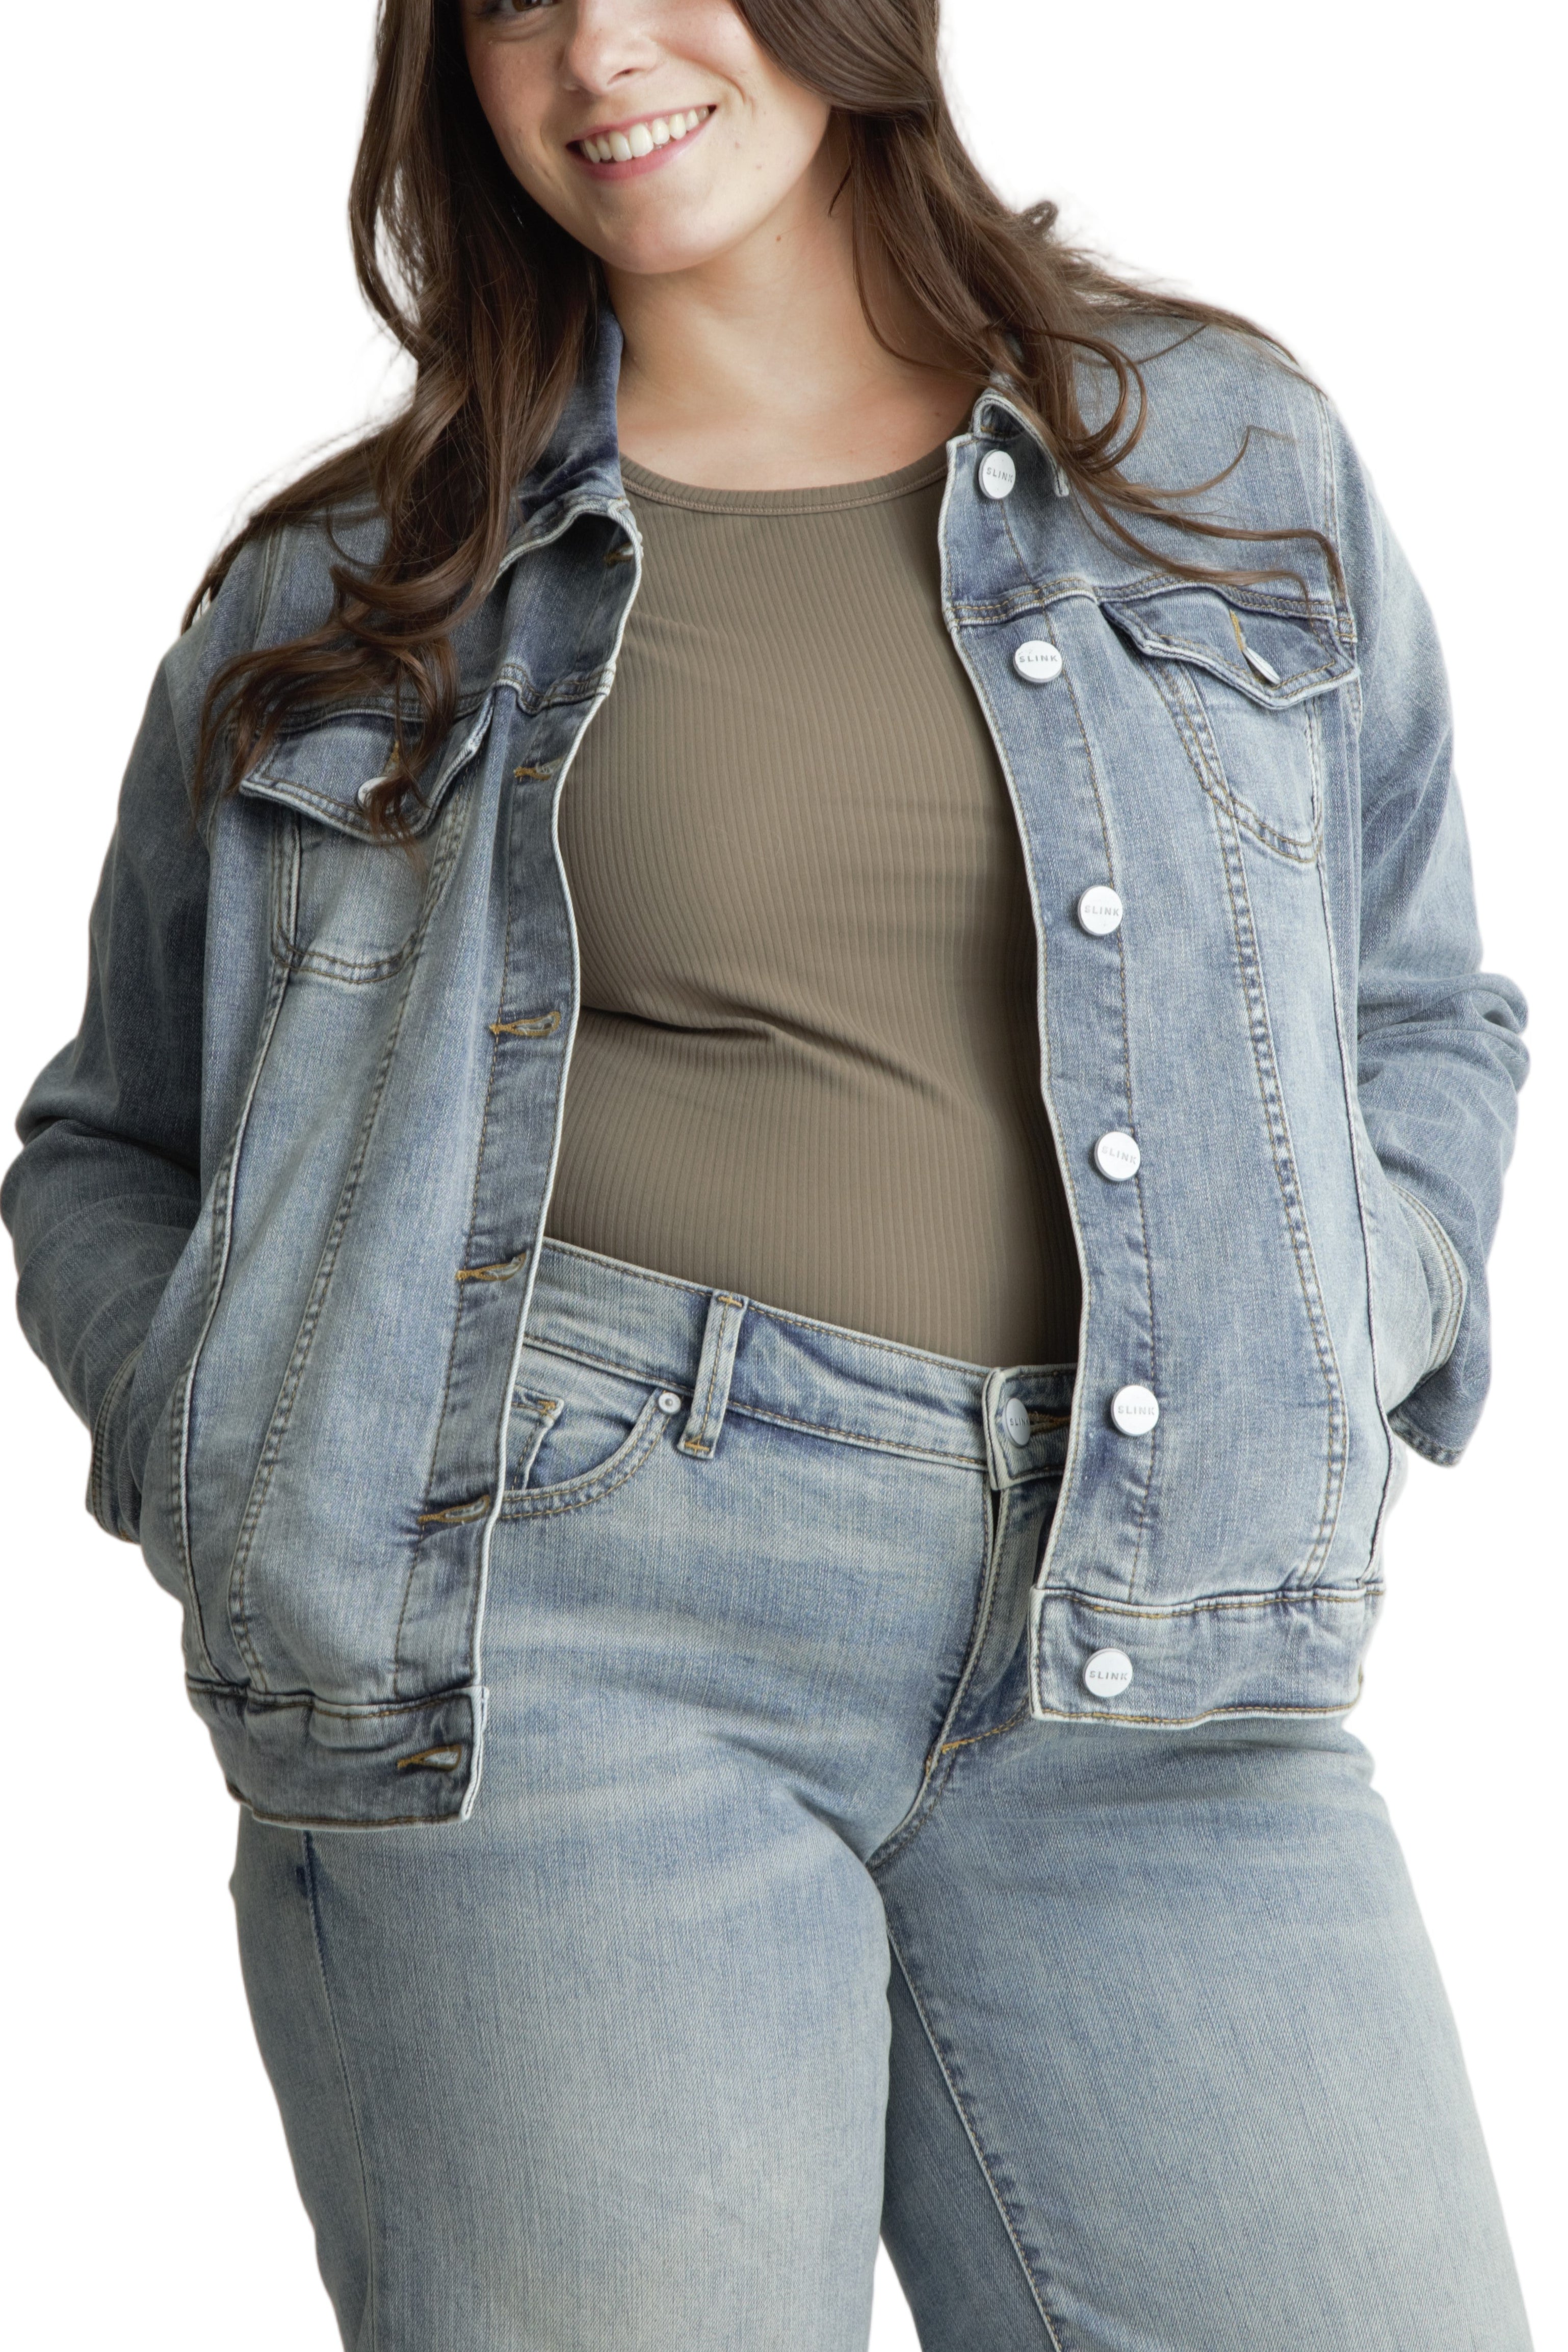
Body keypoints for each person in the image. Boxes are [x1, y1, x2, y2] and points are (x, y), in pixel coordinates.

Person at [3, 2, 1533, 2346]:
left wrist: (1344, 1313)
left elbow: (1417, 1007)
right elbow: (109, 1145)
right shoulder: (355, 590)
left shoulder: (1212, 452)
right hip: (549, 1634)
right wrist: (253, 1451)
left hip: (1171, 1655)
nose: (596, 50)